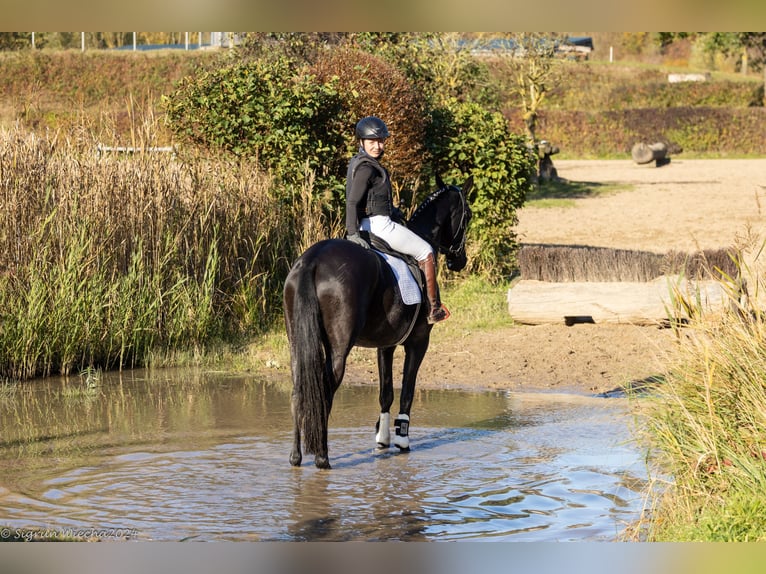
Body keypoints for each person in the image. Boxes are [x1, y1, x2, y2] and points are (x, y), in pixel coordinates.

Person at [345, 116, 449, 324]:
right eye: (372, 141)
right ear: (361, 142)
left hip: (373, 222)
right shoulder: (367, 167)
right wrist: (352, 233)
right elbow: (352, 202)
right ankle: (434, 308)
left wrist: (393, 210)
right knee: (426, 251)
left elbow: (369, 199)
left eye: (381, 141)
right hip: (380, 227)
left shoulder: (358, 162)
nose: (377, 146)